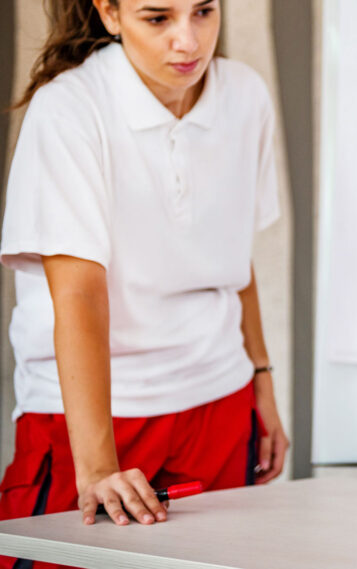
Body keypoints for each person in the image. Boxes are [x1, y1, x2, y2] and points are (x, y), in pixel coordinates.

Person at [0, 0, 289, 548]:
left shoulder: (246, 96)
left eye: (204, 11)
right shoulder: (70, 109)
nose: (189, 41)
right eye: (158, 19)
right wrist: (97, 468)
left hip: (219, 403)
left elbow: (232, 254)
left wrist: (262, 381)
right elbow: (80, 296)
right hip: (97, 416)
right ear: (109, 13)